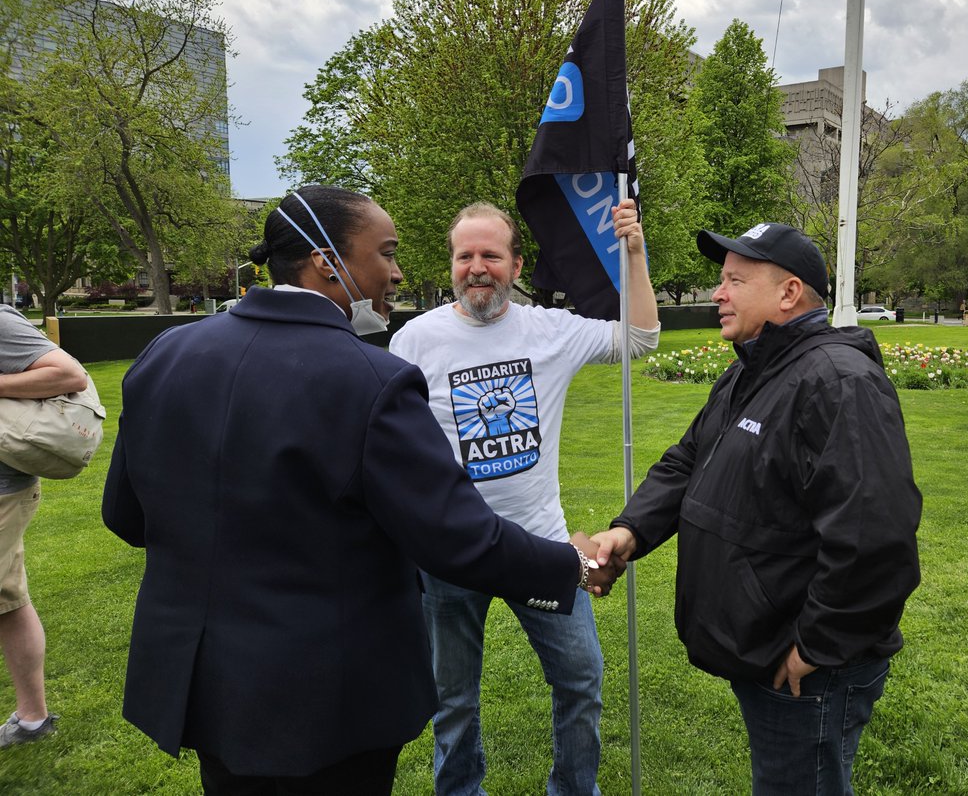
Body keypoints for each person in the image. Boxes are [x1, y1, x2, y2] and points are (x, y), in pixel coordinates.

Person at [101, 186, 622, 796]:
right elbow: (455, 536)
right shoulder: (372, 378)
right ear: (328, 261)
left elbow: (126, 516)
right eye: (387, 252)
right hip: (331, 691)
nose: (397, 273)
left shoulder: (166, 352)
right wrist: (574, 562)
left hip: (206, 688)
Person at [592, 222, 922, 795]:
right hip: (766, 649)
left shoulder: (837, 383)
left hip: (808, 668)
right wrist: (630, 530)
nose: (718, 293)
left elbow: (875, 537)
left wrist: (814, 649)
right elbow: (688, 461)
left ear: (788, 293)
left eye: (734, 281)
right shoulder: (753, 367)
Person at [389, 199, 659, 795]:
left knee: (580, 682)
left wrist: (634, 253)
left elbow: (639, 338)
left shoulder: (551, 331)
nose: (477, 267)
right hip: (451, 552)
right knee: (452, 699)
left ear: (515, 265)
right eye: (465, 255)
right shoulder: (413, 341)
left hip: (541, 546)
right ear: (452, 264)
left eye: (491, 255)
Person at [0, 304, 88, 747]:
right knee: (8, 601)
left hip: (3, 491)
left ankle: (32, 718)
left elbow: (69, 375)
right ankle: (32, 719)